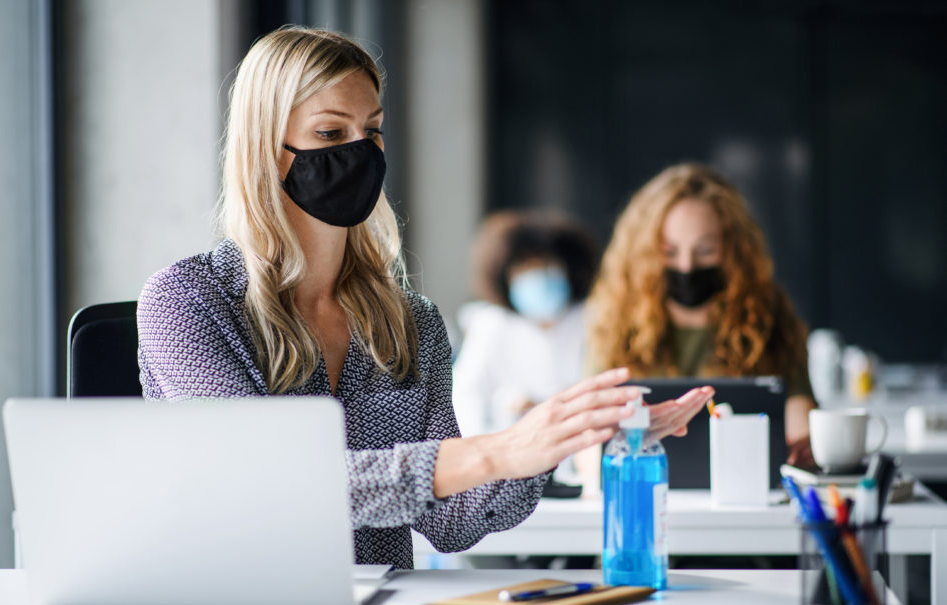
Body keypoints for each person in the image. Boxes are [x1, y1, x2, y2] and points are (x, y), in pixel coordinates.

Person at [136, 26, 713, 570]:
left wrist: (554, 443)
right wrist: (496, 452)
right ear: (265, 148)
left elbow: (452, 522)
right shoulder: (187, 303)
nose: (360, 152)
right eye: (332, 134)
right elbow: (268, 483)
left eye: (373, 130)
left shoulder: (409, 320)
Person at [586, 163, 815, 468]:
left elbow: (797, 405)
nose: (686, 266)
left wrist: (804, 442)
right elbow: (589, 432)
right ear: (645, 254)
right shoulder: (615, 319)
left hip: (745, 491)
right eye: (669, 252)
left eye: (705, 251)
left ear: (733, 250)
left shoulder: (768, 314)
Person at [453, 210, 598, 486]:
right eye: (525, 269)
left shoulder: (594, 319)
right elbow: (465, 397)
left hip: (582, 467)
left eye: (546, 267)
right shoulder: (491, 324)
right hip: (507, 469)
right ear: (505, 276)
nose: (538, 279)